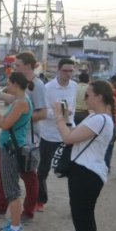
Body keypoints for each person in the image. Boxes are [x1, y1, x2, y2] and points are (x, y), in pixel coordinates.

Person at [54, 80, 115, 231]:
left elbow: (68, 138)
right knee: (86, 219)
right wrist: (68, 119)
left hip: (86, 174)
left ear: (99, 97)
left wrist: (59, 118)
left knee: (83, 221)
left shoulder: (100, 119)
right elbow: (76, 135)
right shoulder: (99, 118)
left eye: (87, 94)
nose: (84, 98)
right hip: (88, 173)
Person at [0, 52, 46, 223]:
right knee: (1, 174)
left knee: (27, 178)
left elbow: (43, 112)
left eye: (17, 65)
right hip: (12, 139)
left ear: (29, 65)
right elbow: (16, 99)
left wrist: (18, 117)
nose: (14, 67)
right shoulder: (22, 90)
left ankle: (26, 212)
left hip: (25, 139)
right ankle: (1, 206)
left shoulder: (37, 86)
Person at [0, 72, 33, 231]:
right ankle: (14, 224)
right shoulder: (19, 100)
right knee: (11, 189)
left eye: (9, 84)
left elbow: (3, 124)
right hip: (9, 147)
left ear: (15, 84)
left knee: (12, 190)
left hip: (11, 150)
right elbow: (2, 121)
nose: (7, 87)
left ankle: (16, 228)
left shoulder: (21, 103)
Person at [35, 59, 77, 212]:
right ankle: (40, 200)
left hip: (69, 133)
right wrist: (60, 113)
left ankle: (76, 204)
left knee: (73, 170)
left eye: (71, 71)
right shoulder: (48, 88)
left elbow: (72, 110)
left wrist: (69, 118)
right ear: (58, 70)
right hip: (50, 134)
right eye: (65, 71)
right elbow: (44, 112)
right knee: (43, 169)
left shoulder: (74, 86)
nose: (68, 74)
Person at [107, 74, 116, 179]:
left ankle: (106, 167)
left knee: (109, 146)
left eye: (112, 82)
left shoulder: (114, 93)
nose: (111, 83)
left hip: (115, 122)